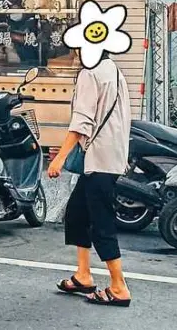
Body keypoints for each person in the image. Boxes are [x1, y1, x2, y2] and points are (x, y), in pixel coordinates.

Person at [48, 51, 132, 307]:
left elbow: (81, 121)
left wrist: (59, 158)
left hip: (99, 158)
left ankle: (119, 287)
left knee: (101, 221)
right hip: (109, 155)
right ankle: (83, 275)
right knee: (77, 213)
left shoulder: (90, 73)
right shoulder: (112, 69)